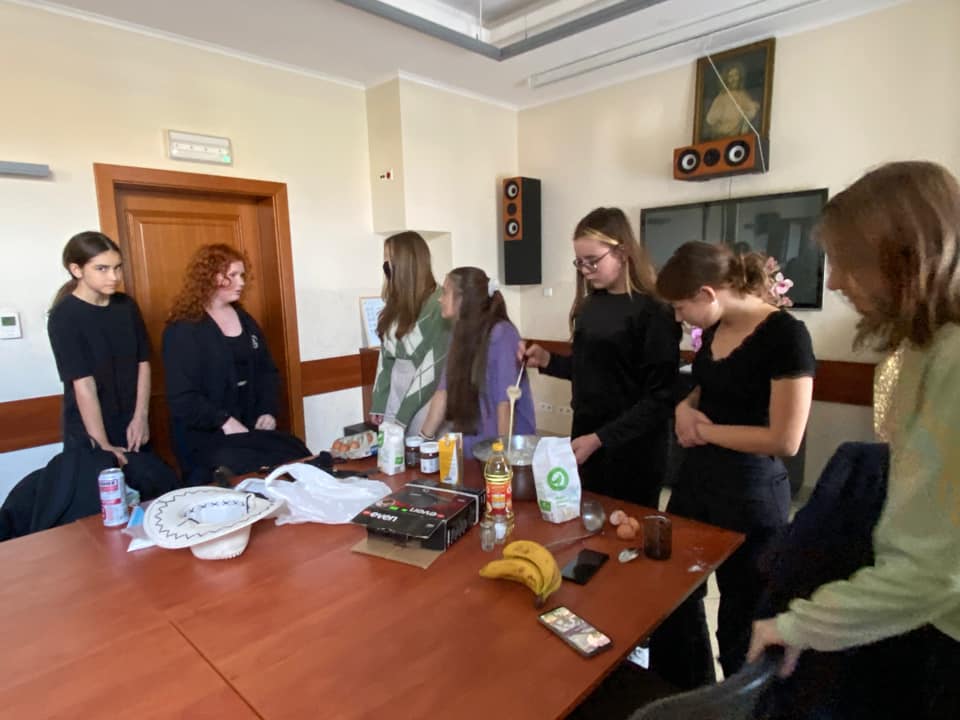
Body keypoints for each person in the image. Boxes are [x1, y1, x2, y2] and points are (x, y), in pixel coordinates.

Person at [748, 161, 960, 720]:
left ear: (906, 256)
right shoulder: (923, 348)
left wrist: (802, 625)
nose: (836, 282)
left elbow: (934, 567)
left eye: (847, 263)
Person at [649, 241, 815, 688]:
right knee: (673, 597)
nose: (679, 318)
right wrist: (685, 408)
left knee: (741, 621)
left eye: (681, 308)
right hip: (697, 484)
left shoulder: (786, 336)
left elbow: (785, 439)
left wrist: (705, 432)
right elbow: (706, 387)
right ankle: (690, 693)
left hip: (750, 495)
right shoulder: (716, 327)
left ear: (707, 294)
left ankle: (738, 702)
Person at [520, 208, 680, 510]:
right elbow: (591, 371)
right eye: (579, 262)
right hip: (587, 436)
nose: (585, 269)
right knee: (587, 518)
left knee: (627, 524)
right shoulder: (590, 305)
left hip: (634, 448)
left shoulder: (654, 311)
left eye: (592, 260)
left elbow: (660, 398)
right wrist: (548, 360)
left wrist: (601, 437)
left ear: (622, 251)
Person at [163, 243, 309, 485]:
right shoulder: (183, 329)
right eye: (232, 275)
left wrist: (267, 410)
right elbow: (183, 398)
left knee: (295, 449)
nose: (241, 282)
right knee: (240, 466)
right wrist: (223, 420)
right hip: (206, 435)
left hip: (248, 426)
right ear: (209, 277)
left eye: (242, 275)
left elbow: (267, 372)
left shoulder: (245, 320)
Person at [47, 231, 177, 498]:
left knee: (153, 493)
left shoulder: (126, 306)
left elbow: (143, 363)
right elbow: (83, 384)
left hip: (131, 422)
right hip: (90, 428)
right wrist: (103, 445)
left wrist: (140, 417)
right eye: (102, 269)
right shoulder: (64, 316)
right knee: (103, 505)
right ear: (76, 270)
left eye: (117, 268)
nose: (114, 277)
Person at [419, 267, 534, 457]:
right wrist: (421, 442)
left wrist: (503, 459)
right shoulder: (458, 335)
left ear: (463, 299)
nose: (440, 299)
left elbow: (505, 404)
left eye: (445, 292)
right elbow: (443, 392)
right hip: (474, 440)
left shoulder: (502, 334)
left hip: (506, 443)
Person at [370, 232, 450, 435]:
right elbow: (386, 356)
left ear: (406, 263)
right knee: (392, 450)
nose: (386, 266)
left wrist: (403, 416)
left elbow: (432, 368)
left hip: (425, 399)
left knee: (418, 450)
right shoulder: (396, 302)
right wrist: (379, 401)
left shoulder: (439, 303)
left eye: (389, 260)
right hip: (395, 394)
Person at [703, 62, 760, 140]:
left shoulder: (743, 94)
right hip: (723, 136)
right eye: (730, 76)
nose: (734, 79)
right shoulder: (722, 97)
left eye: (736, 75)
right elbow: (710, 120)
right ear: (726, 79)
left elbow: (750, 110)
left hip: (740, 138)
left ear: (740, 77)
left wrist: (753, 108)